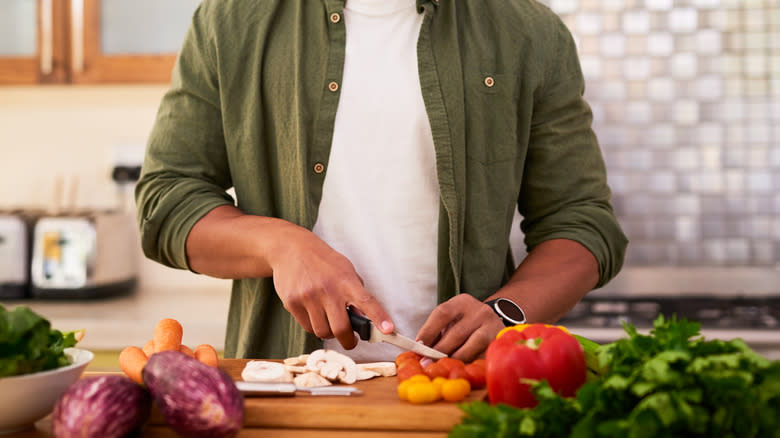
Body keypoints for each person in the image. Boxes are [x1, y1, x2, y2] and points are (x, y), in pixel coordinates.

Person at [135, 0, 628, 363]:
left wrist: (505, 313)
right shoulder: (231, 21)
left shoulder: (527, 32)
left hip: (463, 393)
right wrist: (281, 246)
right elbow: (167, 202)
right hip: (284, 391)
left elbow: (582, 223)